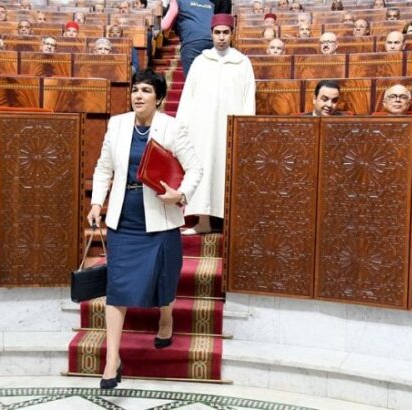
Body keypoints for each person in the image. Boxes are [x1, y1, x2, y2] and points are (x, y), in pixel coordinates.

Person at [87, 68, 202, 389]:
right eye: (135, 89)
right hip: (125, 217)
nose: (138, 95)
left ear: (159, 98)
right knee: (117, 287)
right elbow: (104, 168)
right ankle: (112, 360)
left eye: (146, 91)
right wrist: (96, 203)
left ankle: (166, 317)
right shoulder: (117, 124)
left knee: (165, 276)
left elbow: (195, 168)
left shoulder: (172, 127)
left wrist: (181, 194)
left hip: (160, 216)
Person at [177, 14, 255, 234]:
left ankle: (228, 222)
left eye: (225, 32)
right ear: (211, 34)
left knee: (225, 170)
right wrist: (182, 126)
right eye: (217, 32)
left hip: (229, 127)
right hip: (201, 126)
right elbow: (188, 96)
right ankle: (202, 221)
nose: (221, 37)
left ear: (232, 34)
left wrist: (244, 128)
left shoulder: (242, 63)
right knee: (202, 169)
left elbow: (248, 98)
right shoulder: (200, 62)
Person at [160, 0, 214, 78]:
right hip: (212, 41)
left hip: (192, 42)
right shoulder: (209, 3)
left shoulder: (177, 1)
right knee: (209, 78)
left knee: (191, 80)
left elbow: (164, 26)